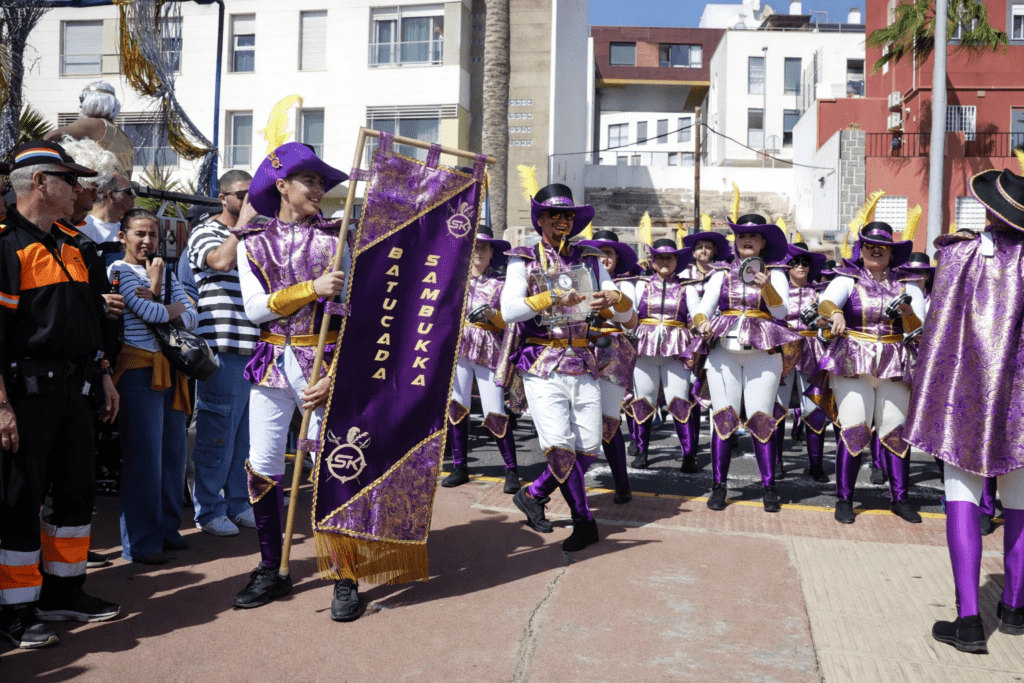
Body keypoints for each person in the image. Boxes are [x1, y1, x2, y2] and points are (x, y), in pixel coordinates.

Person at [0, 140, 121, 649]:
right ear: (38, 182)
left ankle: (64, 592)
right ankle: (15, 610)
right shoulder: (7, 246)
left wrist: (104, 374)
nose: (78, 188)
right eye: (68, 179)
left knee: (75, 494)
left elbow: (89, 322)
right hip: (25, 395)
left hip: (76, 390)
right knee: (20, 502)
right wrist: (2, 406)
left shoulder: (73, 244)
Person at [905, 165, 1024, 652]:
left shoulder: (959, 253)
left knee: (962, 497)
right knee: (1020, 502)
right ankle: (1014, 608)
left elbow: (939, 328)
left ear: (990, 212)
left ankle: (969, 621)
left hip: (968, 394)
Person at [231, 143, 352, 618]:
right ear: (282, 186)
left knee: (331, 465)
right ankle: (272, 567)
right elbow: (254, 309)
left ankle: (344, 571)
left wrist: (336, 376)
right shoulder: (251, 242)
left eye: (322, 182)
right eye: (310, 181)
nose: (319, 189)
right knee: (262, 465)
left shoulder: (339, 237)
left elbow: (356, 315)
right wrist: (312, 289)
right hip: (271, 363)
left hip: (324, 365)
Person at [501, 184, 632, 551]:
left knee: (588, 447)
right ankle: (584, 522)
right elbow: (509, 311)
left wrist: (615, 298)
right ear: (540, 219)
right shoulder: (523, 258)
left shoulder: (590, 259)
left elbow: (626, 315)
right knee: (560, 447)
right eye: (554, 214)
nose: (562, 221)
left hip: (585, 363)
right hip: (542, 363)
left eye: (568, 215)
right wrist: (552, 296)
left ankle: (534, 493)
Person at [809, 221, 924, 525]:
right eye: (869, 246)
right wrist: (835, 313)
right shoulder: (847, 279)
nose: (875, 251)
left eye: (882, 247)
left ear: (891, 252)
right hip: (852, 360)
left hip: (895, 361)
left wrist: (908, 315)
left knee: (895, 432)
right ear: (861, 250)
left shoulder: (908, 285)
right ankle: (844, 499)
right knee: (855, 429)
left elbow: (920, 330)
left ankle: (900, 499)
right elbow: (825, 302)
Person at [690, 214, 801, 513]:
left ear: (763, 242)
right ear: (735, 242)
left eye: (753, 236)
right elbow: (703, 308)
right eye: (742, 236)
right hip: (723, 353)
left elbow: (781, 313)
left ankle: (768, 487)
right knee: (723, 419)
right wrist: (701, 323)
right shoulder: (720, 274)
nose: (747, 240)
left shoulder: (776, 274)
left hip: (762, 354)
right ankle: (719, 486)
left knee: (761, 419)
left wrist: (767, 288)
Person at [108, 209, 198, 564]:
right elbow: (154, 315)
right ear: (123, 237)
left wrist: (160, 299)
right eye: (139, 234)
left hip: (170, 371)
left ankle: (167, 530)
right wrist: (162, 296)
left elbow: (193, 315)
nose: (147, 241)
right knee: (143, 457)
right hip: (137, 371)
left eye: (153, 235)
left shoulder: (167, 271)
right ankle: (142, 543)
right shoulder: (118, 271)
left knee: (173, 455)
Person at [185, 170, 260, 537]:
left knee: (245, 435)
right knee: (217, 429)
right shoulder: (206, 231)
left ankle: (238, 502)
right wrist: (243, 225)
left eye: (251, 194)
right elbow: (220, 262)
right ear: (222, 197)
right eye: (241, 194)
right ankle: (208, 508)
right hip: (222, 346)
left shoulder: (257, 234)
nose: (247, 201)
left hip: (255, 347)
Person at [441, 225, 520, 492]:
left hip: (490, 350)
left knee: (494, 411)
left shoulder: (501, 284)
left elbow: (510, 322)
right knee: (457, 407)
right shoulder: (453, 281)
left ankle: (512, 470)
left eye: (484, 247)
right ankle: (460, 467)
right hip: (459, 349)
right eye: (474, 245)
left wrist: (491, 315)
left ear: (492, 253)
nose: (478, 251)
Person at [577, 230, 638, 503]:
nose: (602, 259)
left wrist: (605, 304)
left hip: (611, 351)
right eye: (596, 255)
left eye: (608, 254)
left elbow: (631, 321)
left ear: (616, 258)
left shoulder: (626, 286)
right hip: (578, 348)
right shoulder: (577, 280)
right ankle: (570, 482)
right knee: (576, 416)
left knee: (609, 419)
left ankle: (622, 482)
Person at [629, 238, 699, 475]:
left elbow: (696, 314)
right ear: (652, 261)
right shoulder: (640, 285)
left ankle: (688, 454)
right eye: (659, 257)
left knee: (679, 403)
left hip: (676, 352)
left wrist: (699, 328)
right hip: (644, 350)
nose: (664, 261)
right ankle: (642, 451)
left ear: (677, 260)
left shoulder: (688, 287)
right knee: (643, 403)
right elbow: (630, 313)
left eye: (669, 257)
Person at [774, 242, 830, 484]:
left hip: (812, 351)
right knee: (777, 408)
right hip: (782, 350)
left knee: (814, 410)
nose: (800, 266)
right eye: (794, 262)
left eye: (804, 262)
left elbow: (830, 323)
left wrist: (822, 323)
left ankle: (816, 464)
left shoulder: (820, 292)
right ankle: (775, 462)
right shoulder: (777, 291)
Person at [45, 81, 134, 177]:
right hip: (122, 185)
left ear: (92, 101)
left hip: (94, 184)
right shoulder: (125, 138)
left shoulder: (93, 124)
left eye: (82, 100)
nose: (81, 105)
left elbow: (49, 137)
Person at [79, 172, 136, 264]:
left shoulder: (128, 230)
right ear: (111, 195)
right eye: (129, 192)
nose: (134, 196)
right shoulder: (82, 232)